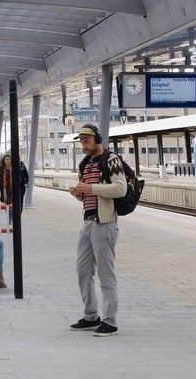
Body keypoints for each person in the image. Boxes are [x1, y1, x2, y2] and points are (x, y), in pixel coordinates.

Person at [67, 124, 129, 338]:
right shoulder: (85, 164)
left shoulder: (111, 160)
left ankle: (110, 321)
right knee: (83, 271)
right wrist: (79, 193)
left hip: (105, 223)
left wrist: (91, 188)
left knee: (105, 274)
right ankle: (91, 316)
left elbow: (121, 188)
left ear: (97, 140)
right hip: (87, 222)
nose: (84, 144)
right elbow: (87, 194)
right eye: (81, 141)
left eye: (87, 140)